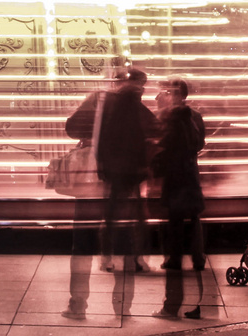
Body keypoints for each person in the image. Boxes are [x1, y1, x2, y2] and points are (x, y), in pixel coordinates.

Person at [64, 68, 157, 319]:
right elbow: (156, 133)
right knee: (123, 245)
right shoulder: (137, 108)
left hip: (91, 183)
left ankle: (78, 305)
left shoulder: (97, 99)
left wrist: (92, 135)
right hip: (124, 187)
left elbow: (71, 127)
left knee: (82, 245)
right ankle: (122, 307)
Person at [153, 79, 206, 319]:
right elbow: (200, 143)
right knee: (193, 221)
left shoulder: (170, 118)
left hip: (175, 181)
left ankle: (171, 305)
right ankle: (197, 258)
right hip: (191, 177)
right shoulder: (195, 116)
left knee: (174, 231)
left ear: (176, 95)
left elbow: (163, 150)